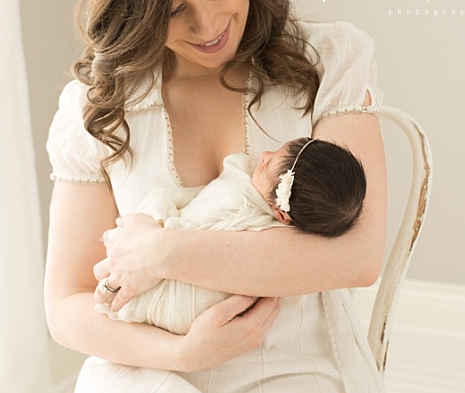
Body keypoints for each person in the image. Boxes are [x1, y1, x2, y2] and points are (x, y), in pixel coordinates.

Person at [44, 0, 390, 393]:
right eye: (172, 9)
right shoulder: (96, 105)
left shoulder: (328, 61)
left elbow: (357, 255)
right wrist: (183, 352)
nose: (207, 25)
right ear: (132, 9)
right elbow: (65, 306)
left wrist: (163, 251)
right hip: (146, 370)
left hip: (292, 371)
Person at [95, 137, 368, 335]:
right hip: (199, 320)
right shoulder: (290, 240)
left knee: (156, 214)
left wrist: (152, 220)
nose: (263, 155)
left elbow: (177, 205)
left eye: (265, 166)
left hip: (179, 306)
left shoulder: (235, 192)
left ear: (282, 213)